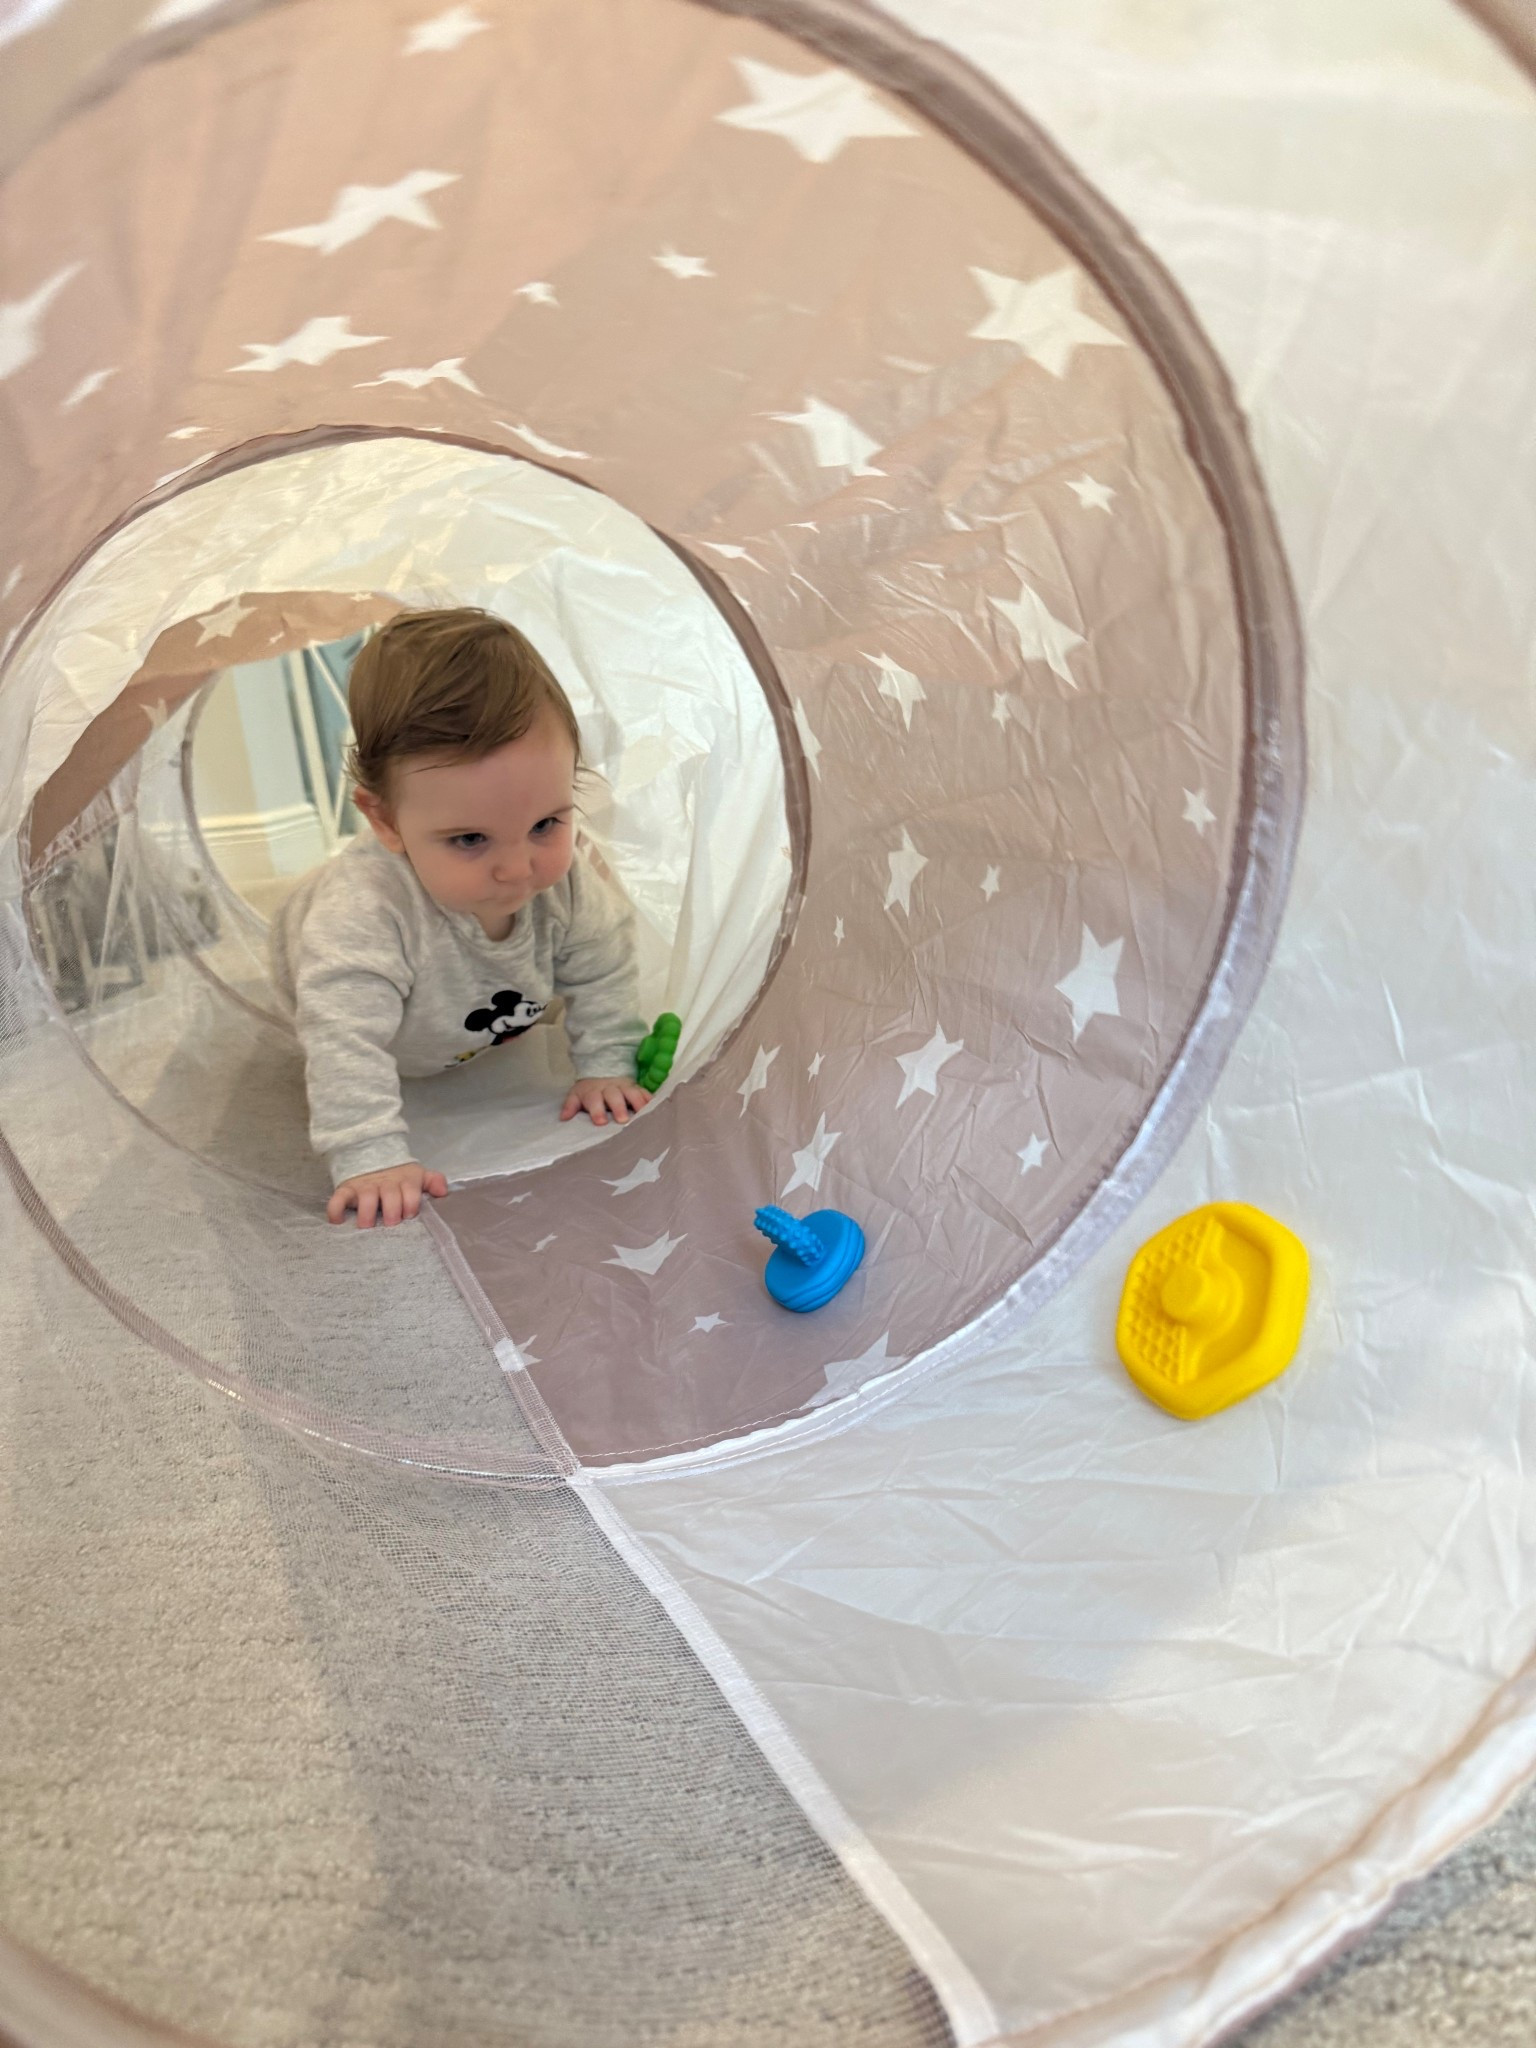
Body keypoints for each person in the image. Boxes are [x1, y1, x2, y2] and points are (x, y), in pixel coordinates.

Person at [271, 607, 648, 1228]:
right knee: (342, 987)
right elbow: (342, 1037)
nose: (517, 868)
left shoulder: (565, 883)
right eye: (471, 838)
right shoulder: (361, 916)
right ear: (385, 820)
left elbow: (603, 963)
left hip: (454, 1014)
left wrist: (608, 1062)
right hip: (326, 957)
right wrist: (369, 1155)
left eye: (545, 823)